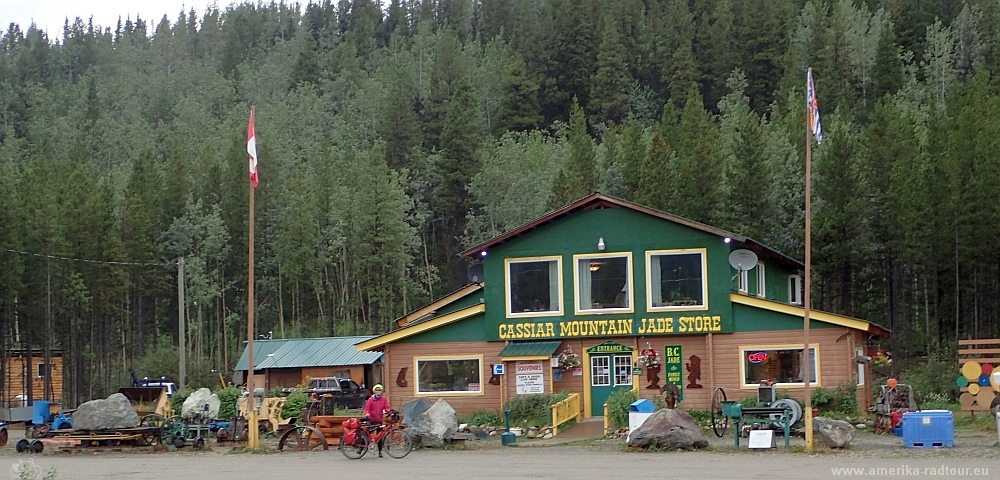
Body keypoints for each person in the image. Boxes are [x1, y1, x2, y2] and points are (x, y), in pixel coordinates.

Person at [363, 384, 390, 457]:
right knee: (367, 435)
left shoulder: (383, 399)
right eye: (376, 390)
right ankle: (361, 449)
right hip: (371, 419)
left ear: (381, 391)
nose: (378, 391)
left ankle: (380, 452)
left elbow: (386, 407)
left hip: (379, 420)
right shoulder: (371, 399)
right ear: (374, 391)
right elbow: (367, 409)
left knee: (379, 437)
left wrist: (388, 411)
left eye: (379, 390)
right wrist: (367, 413)